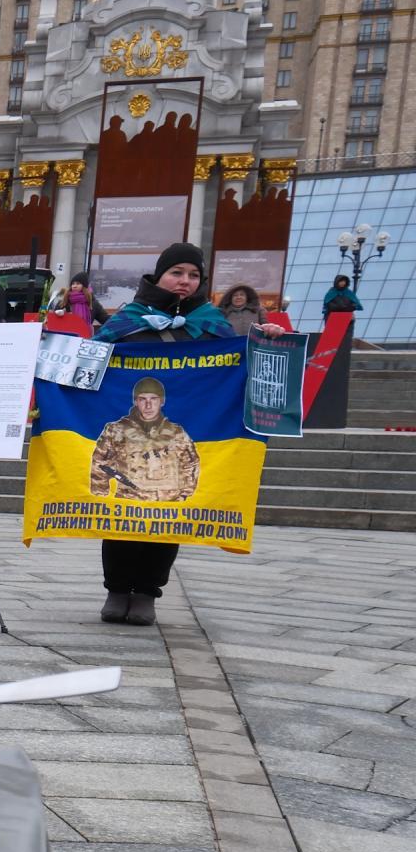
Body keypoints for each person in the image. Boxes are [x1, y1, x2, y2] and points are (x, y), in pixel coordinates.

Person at [92, 241, 281, 626]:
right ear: (159, 275)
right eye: (177, 273)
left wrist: (265, 343)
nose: (185, 281)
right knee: (123, 515)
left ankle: (146, 592)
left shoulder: (211, 322)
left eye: (193, 275)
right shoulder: (127, 319)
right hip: (131, 438)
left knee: (168, 517)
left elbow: (234, 367)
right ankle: (116, 588)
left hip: (179, 437)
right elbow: (91, 362)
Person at [90, 377, 198, 502]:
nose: (148, 405)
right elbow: (99, 464)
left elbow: (191, 464)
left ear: (162, 401)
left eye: (153, 399)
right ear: (135, 401)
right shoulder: (116, 431)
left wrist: (184, 495)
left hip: (169, 509)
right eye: (142, 399)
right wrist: (100, 499)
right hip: (129, 508)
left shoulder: (176, 433)